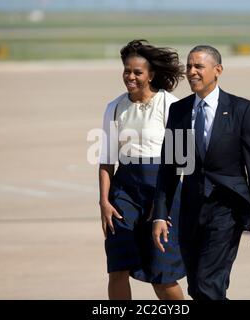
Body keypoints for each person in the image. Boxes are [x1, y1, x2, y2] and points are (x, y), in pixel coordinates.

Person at [152, 45, 250, 300]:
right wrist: (160, 215)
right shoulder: (180, 111)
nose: (191, 72)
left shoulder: (242, 109)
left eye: (198, 66)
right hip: (191, 210)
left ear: (217, 70)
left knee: (208, 285)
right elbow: (171, 168)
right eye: (189, 67)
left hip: (227, 208)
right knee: (198, 289)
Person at [99, 40, 186, 300]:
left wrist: (162, 205)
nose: (130, 77)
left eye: (137, 72)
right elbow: (106, 160)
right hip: (123, 191)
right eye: (127, 70)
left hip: (162, 188)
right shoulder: (114, 107)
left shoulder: (172, 105)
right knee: (118, 267)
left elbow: (184, 162)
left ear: (151, 74)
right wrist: (104, 201)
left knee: (161, 275)